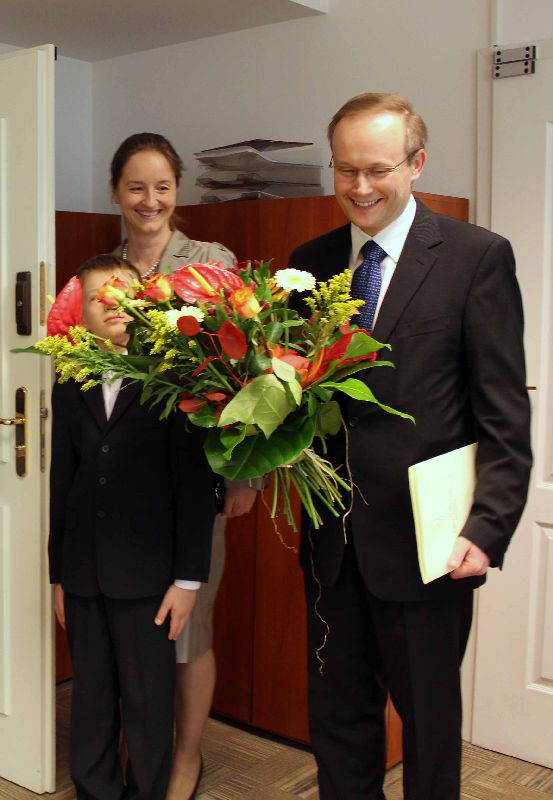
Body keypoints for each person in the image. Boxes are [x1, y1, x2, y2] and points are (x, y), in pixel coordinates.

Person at [288, 93, 532, 800]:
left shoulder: (474, 257)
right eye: (343, 169)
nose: (359, 188)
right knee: (337, 720)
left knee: (427, 726)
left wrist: (487, 529)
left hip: (430, 547)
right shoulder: (309, 266)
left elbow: (503, 415)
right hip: (331, 547)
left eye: (377, 169)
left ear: (416, 164)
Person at [108, 132, 259, 800]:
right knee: (129, 625)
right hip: (123, 482)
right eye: (137, 187)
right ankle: (138, 743)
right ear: (117, 191)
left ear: (178, 191)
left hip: (196, 476)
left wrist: (246, 474)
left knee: (187, 630)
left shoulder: (209, 261)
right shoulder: (100, 272)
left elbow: (244, 373)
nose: (150, 201)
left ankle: (185, 758)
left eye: (162, 187)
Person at [50, 254, 215, 800]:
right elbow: (63, 483)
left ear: (143, 303)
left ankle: (148, 789)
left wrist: (188, 580)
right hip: (85, 572)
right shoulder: (71, 380)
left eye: (123, 294)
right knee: (92, 696)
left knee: (147, 699)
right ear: (84, 312)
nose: (112, 304)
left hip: (149, 576)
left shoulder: (176, 377)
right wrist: (59, 574)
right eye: (99, 297)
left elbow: (194, 489)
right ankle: (94, 789)